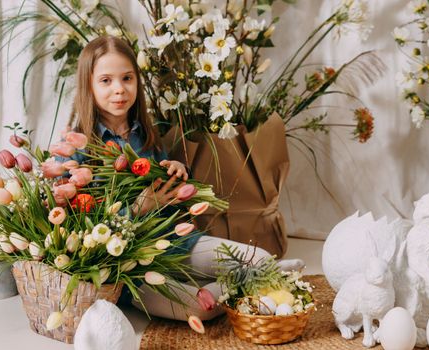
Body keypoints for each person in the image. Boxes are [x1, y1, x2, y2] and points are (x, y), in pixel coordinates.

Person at [62, 35, 304, 321]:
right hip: (131, 268)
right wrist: (139, 207)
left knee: (261, 258)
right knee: (198, 310)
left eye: (127, 78)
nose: (119, 90)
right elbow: (79, 231)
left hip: (177, 244)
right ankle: (251, 282)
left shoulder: (147, 136)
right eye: (106, 81)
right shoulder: (76, 150)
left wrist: (178, 172)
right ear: (88, 85)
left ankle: (255, 274)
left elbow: (174, 197)